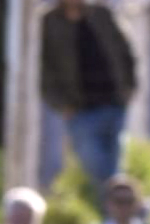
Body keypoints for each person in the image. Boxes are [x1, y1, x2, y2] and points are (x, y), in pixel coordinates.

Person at [41, 0, 139, 189]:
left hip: (113, 101)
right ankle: (126, 208)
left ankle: (118, 211)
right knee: (98, 169)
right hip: (80, 109)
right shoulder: (49, 22)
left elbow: (125, 50)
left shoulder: (101, 14)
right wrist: (61, 104)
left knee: (114, 168)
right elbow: (44, 69)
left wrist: (130, 86)